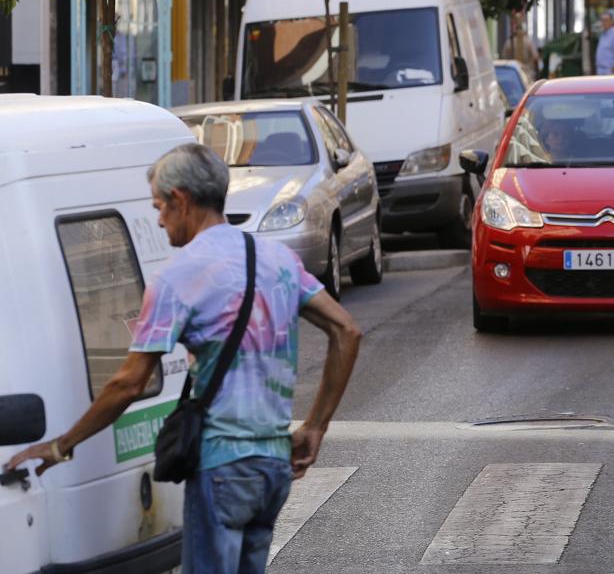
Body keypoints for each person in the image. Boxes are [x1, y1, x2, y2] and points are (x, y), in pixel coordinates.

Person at [3, 143, 363, 572]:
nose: (158, 220)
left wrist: (62, 446)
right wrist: (316, 426)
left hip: (222, 468)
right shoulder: (276, 259)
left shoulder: (177, 276)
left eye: (159, 207)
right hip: (273, 467)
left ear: (181, 200)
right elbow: (346, 330)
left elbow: (128, 383)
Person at [502, 12, 540, 78]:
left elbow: (504, 58)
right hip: (528, 74)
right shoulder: (528, 41)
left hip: (513, 75)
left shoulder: (509, 42)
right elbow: (535, 57)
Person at [595, 9, 614, 76]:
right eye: (602, 20)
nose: (603, 23)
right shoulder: (603, 35)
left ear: (611, 21)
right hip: (600, 71)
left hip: (609, 73)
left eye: (606, 20)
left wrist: (611, 71)